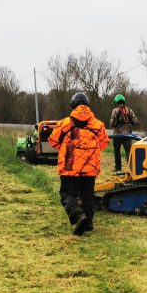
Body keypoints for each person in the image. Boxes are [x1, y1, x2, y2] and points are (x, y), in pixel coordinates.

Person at [48, 93, 109, 236]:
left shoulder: (65, 123)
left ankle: (78, 215)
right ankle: (87, 222)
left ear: (73, 105)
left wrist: (70, 146)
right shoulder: (98, 125)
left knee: (67, 193)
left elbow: (53, 141)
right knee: (87, 196)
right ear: (88, 105)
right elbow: (104, 144)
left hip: (70, 163)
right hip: (90, 166)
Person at [110, 93, 139, 172]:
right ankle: (132, 169)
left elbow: (112, 123)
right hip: (128, 135)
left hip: (117, 135)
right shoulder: (129, 110)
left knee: (117, 152)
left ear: (116, 102)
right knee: (128, 152)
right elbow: (136, 121)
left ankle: (118, 169)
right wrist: (129, 124)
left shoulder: (115, 111)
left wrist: (116, 123)